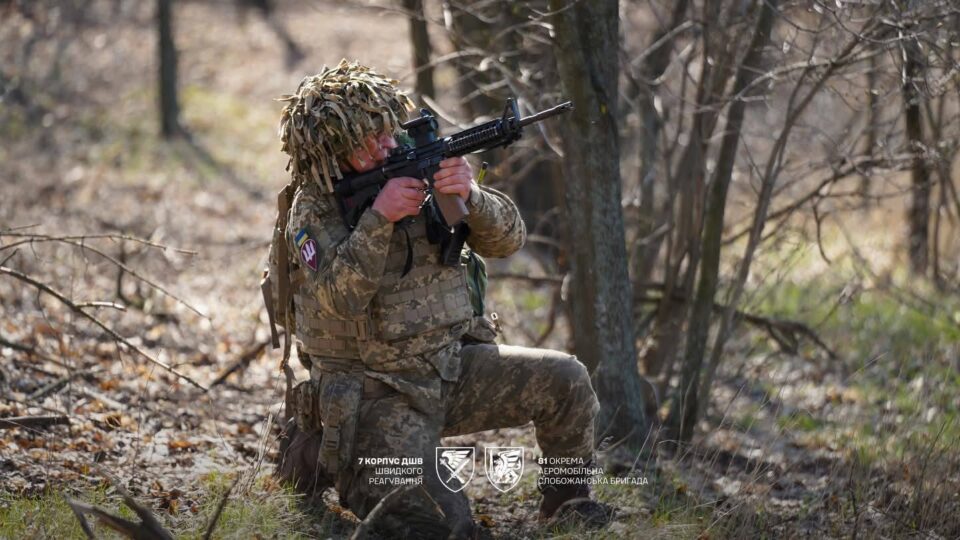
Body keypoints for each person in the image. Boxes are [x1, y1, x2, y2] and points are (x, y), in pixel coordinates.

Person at [269, 60, 607, 539]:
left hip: (451, 369)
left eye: (386, 131)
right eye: (367, 141)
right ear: (332, 151)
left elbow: (508, 242)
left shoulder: (413, 163)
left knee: (566, 379)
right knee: (441, 526)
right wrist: (378, 221)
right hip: (378, 397)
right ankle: (321, 446)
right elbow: (335, 301)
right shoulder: (314, 208)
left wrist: (470, 195)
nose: (386, 145)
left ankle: (567, 503)